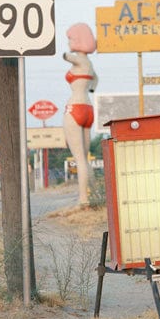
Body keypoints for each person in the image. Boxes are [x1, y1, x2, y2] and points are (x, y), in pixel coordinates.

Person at [62, 23, 98, 205]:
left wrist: (66, 56)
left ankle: (83, 198)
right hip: (88, 107)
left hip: (75, 106)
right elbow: (95, 81)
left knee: (80, 159)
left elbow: (66, 56)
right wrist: (90, 89)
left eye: (70, 38)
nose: (68, 42)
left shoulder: (78, 60)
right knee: (85, 157)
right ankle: (95, 194)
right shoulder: (89, 64)